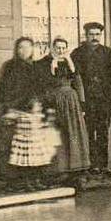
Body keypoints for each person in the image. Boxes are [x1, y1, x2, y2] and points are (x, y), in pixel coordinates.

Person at [0, 37, 58, 189]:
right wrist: (13, 106)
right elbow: (1, 91)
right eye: (21, 48)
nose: (25, 51)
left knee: (35, 149)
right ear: (17, 50)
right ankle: (21, 181)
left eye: (28, 47)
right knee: (20, 151)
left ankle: (35, 179)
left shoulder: (35, 66)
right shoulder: (10, 66)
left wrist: (40, 103)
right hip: (18, 112)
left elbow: (42, 87)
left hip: (34, 112)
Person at [38, 37, 90, 175]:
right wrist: (52, 66)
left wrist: (82, 104)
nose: (60, 51)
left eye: (63, 48)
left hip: (72, 101)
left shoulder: (70, 62)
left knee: (73, 132)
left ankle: (75, 166)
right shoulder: (45, 63)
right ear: (52, 48)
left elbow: (78, 83)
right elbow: (44, 83)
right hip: (55, 100)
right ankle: (59, 169)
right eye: (57, 48)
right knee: (58, 133)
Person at [71, 22, 111, 170]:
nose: (94, 37)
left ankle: (103, 166)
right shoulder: (77, 53)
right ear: (86, 35)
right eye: (91, 34)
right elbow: (73, 77)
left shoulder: (107, 52)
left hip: (104, 98)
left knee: (103, 130)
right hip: (86, 99)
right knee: (88, 131)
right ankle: (90, 165)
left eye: (97, 34)